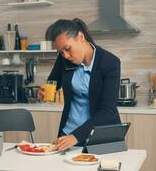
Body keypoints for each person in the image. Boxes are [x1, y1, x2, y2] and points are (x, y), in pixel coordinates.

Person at [39, 18, 121, 151]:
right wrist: (44, 92)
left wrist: (76, 136)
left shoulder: (110, 63)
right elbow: (52, 83)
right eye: (61, 52)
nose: (65, 55)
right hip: (68, 135)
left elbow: (108, 111)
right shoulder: (64, 59)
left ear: (81, 37)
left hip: (99, 136)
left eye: (67, 49)